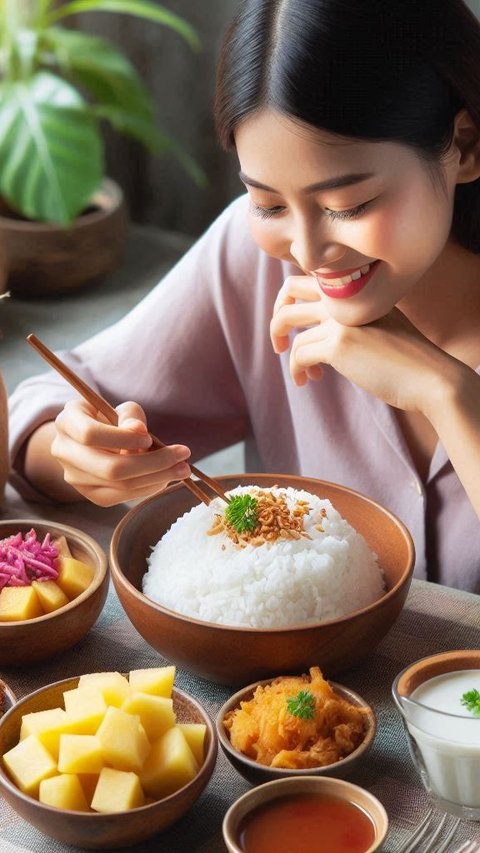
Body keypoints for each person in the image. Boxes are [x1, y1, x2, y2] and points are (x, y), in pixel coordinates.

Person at [8, 0, 480, 592]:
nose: (307, 251)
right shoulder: (255, 262)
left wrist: (450, 394)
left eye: (348, 206)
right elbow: (50, 406)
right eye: (270, 204)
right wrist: (78, 457)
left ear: (464, 145)